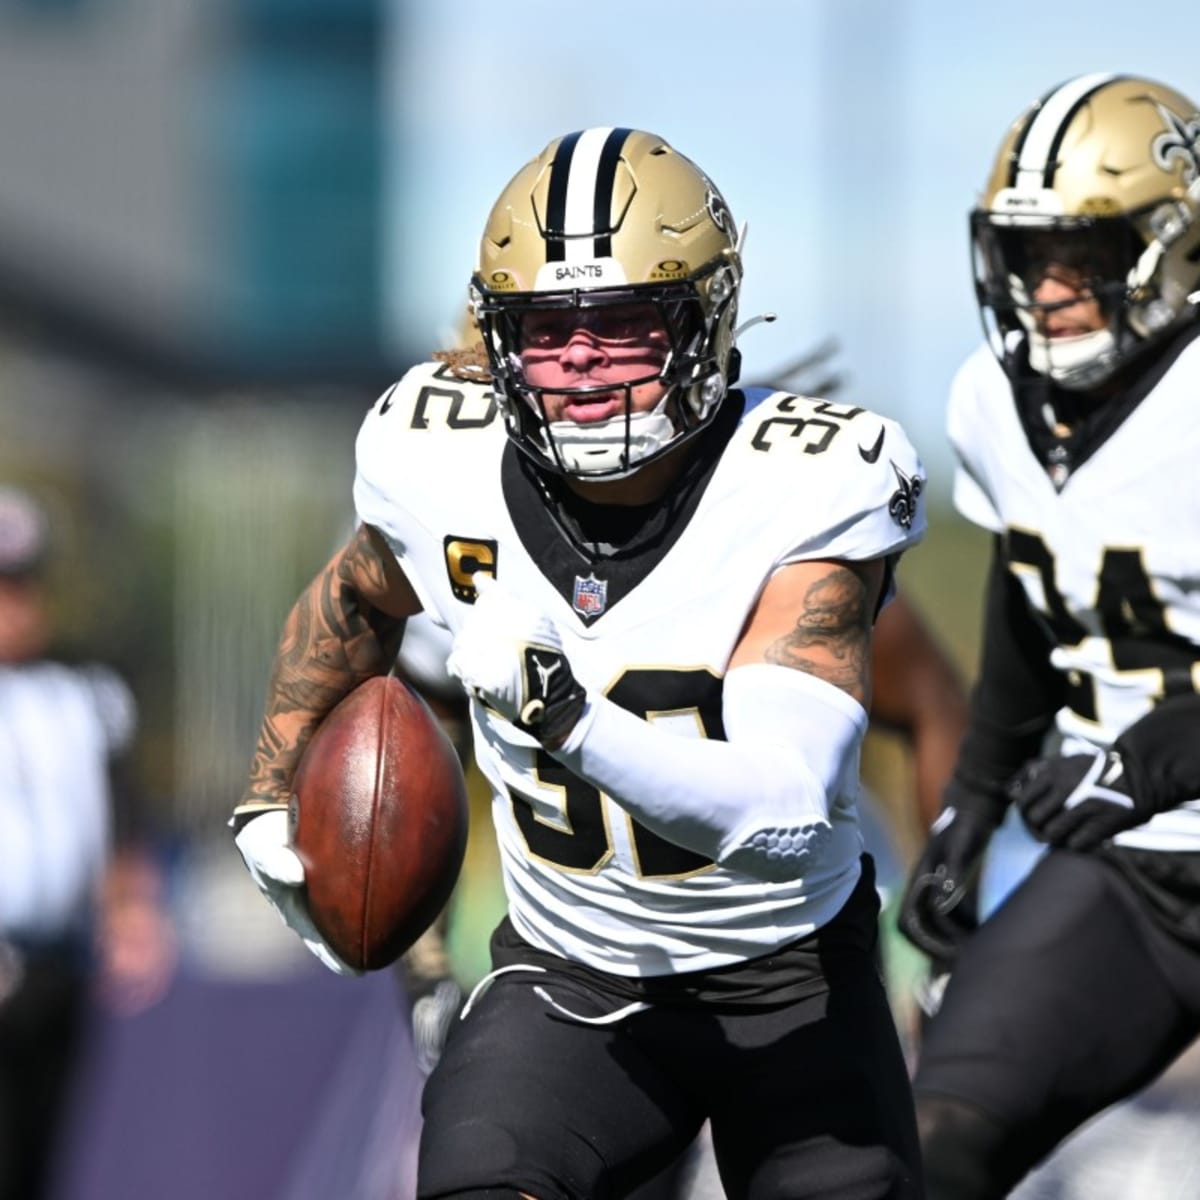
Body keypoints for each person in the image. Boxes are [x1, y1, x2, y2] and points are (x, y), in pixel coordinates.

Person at [234, 127, 929, 1199]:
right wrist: (270, 795)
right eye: (547, 330)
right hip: (576, 974)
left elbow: (784, 810)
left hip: (789, 982)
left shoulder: (808, 483)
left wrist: (567, 715)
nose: (582, 361)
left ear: (704, 320)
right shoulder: (436, 464)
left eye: (624, 325)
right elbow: (350, 599)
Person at [897, 74, 1200, 1199]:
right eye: (1027, 255)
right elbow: (1029, 604)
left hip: (1143, 795)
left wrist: (1159, 755)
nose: (1049, 288)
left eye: (1084, 251)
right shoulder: (993, 399)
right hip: (1131, 865)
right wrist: (969, 812)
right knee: (934, 1144)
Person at [0, 485, 153, 1200]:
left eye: (23, 588)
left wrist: (131, 912)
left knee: (44, 1151)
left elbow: (120, 815)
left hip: (61, 961)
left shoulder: (86, 690)